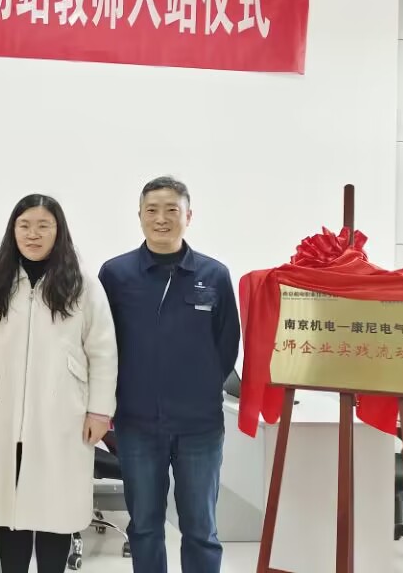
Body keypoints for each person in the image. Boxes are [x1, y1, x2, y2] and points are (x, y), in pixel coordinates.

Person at [0, 194, 118, 573]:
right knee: (10, 510)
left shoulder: (82, 284)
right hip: (5, 413)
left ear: (58, 231)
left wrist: (100, 411)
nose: (33, 234)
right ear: (13, 231)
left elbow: (103, 351)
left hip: (62, 416)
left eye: (43, 226)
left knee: (55, 510)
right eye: (24, 226)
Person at [98, 176, 240, 573]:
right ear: (140, 215)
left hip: (200, 425)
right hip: (137, 423)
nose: (161, 218)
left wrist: (198, 388)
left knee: (201, 527)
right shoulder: (116, 274)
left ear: (188, 216)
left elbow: (227, 344)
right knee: (144, 526)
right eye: (152, 210)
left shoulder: (214, 274)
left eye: (171, 210)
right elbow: (103, 344)